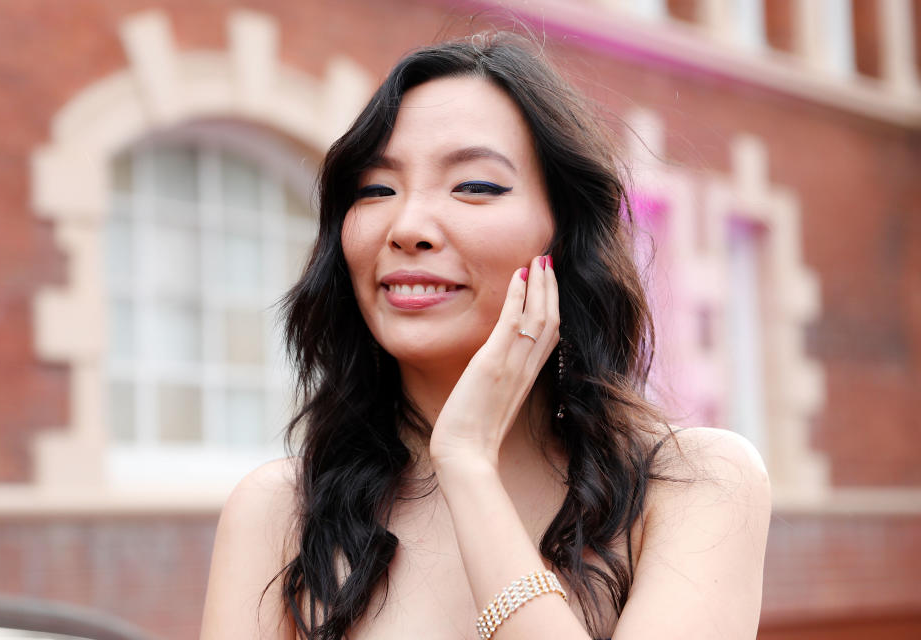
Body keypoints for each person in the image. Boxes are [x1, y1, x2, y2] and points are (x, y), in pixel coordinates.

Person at [200, 32, 771, 640]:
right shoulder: (278, 514)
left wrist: (468, 465)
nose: (408, 226)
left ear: (565, 233)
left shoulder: (696, 486)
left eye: (475, 186)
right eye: (376, 190)